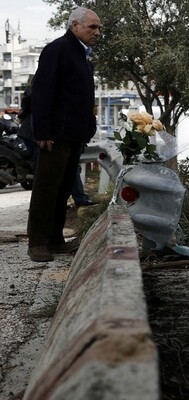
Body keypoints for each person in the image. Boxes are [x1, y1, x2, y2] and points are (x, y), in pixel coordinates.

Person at [27, 7, 101, 262]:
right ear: (75, 26)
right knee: (46, 189)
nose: (97, 32)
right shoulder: (58, 49)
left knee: (62, 189)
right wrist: (43, 131)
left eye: (98, 28)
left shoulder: (81, 55)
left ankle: (56, 240)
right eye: (92, 27)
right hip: (55, 135)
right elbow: (42, 91)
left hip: (73, 134)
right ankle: (37, 242)